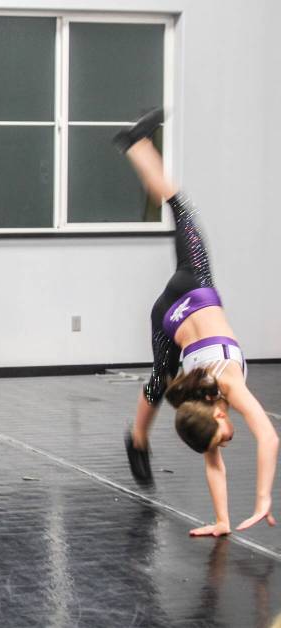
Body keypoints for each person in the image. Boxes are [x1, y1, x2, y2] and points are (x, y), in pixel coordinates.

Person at [119, 108, 278, 536]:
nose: (228, 438)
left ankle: (136, 143)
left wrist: (263, 498)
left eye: (222, 437)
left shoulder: (226, 388)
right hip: (168, 315)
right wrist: (223, 521)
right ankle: (137, 440)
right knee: (160, 376)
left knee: (180, 206)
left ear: (217, 414)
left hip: (189, 289)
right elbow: (215, 463)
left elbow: (269, 438)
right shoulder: (196, 405)